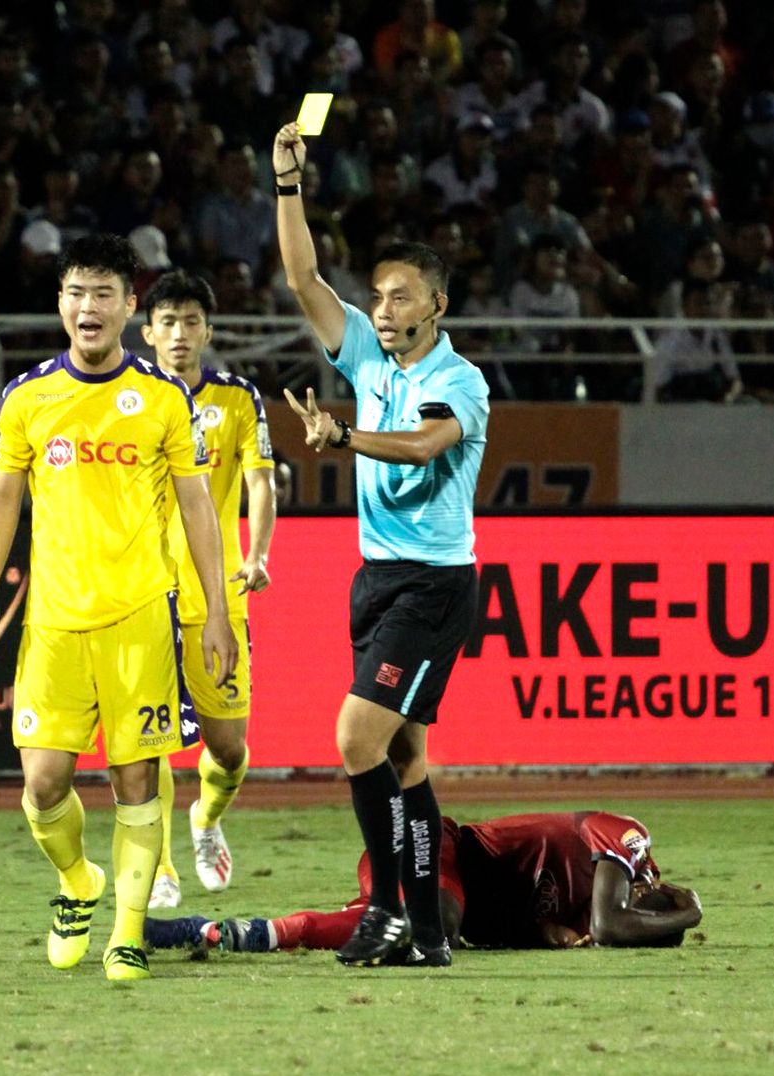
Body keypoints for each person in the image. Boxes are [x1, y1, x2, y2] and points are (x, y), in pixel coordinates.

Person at [0, 234, 240, 982]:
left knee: (135, 783)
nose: (87, 308)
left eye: (103, 294)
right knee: (44, 784)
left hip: (141, 617)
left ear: (128, 307)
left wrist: (216, 611)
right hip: (53, 621)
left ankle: (127, 932)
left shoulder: (162, 398)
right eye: (75, 292)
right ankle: (77, 881)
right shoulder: (27, 397)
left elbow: (198, 511)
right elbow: (1, 502)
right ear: (61, 302)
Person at [271, 120, 490, 968]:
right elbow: (301, 276)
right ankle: (430, 936)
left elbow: (425, 445)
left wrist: (345, 439)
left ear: (437, 304)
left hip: (435, 587)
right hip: (377, 579)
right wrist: (289, 185)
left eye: (402, 296)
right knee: (404, 758)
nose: (383, 309)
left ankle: (391, 909)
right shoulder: (369, 355)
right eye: (379, 295)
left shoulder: (454, 379)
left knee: (355, 738)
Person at [138, 270, 278, 909]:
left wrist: (257, 554)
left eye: (191, 321)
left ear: (209, 331)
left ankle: (206, 818)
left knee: (228, 747)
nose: (179, 334)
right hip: (139, 594)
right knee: (152, 739)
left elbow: (260, 482)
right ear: (147, 333)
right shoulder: (129, 399)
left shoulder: (239, 399)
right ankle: (160, 865)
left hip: (215, 598)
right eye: (167, 322)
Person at [145, 810, 701, 954]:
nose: (643, 911)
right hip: (434, 844)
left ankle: (211, 932)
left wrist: (540, 933)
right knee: (435, 931)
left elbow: (606, 927)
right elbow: (611, 925)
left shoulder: (571, 921)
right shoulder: (630, 838)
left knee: (371, 929)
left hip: (428, 887)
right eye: (655, 907)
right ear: (655, 881)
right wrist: (691, 912)